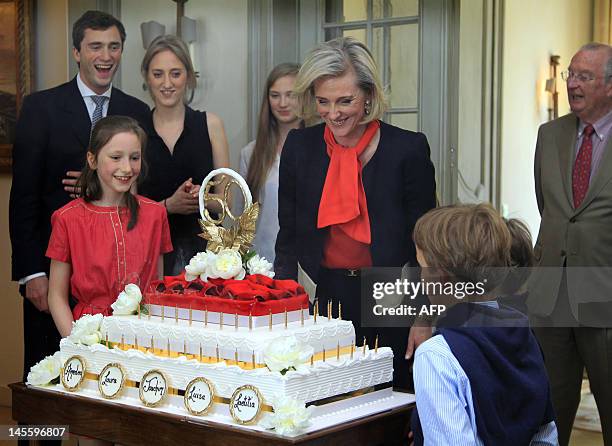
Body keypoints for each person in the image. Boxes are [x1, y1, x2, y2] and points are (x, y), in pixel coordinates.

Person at [274, 37, 436, 389]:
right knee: (331, 397)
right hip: (329, 290)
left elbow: (428, 247)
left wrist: (424, 316)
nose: (333, 114)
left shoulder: (407, 150)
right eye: (323, 102)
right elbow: (287, 238)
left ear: (368, 96)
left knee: (392, 399)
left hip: (391, 291)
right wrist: (281, 307)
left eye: (345, 101)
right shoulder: (300, 148)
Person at [9, 10, 149, 379]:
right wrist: (31, 273)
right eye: (95, 47)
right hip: (51, 272)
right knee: (46, 379)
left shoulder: (136, 111)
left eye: (114, 47)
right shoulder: (41, 108)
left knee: (109, 385)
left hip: (114, 283)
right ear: (77, 52)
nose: (105, 56)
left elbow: (139, 184)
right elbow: (22, 196)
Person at [410, 203, 558, 446]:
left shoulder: (436, 356)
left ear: (441, 276)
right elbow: (546, 433)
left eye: (422, 266)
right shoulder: (525, 334)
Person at [530, 42, 612, 445]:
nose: (573, 84)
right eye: (571, 75)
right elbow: (550, 207)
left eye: (585, 77)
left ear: (611, 86)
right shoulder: (550, 135)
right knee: (548, 408)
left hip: (605, 296)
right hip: (550, 298)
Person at [47, 116, 172, 336]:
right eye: (116, 157)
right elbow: (56, 296)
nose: (127, 167)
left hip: (143, 333)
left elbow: (157, 285)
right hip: (89, 334)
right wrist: (75, 344)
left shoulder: (155, 214)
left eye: (135, 158)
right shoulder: (67, 218)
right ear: (92, 160)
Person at [139, 35, 230, 275]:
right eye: (158, 74)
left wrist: (201, 197)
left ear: (189, 76)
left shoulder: (211, 124)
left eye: (175, 73)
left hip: (206, 257)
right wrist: (168, 206)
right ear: (147, 77)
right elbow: (125, 210)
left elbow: (227, 202)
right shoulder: (135, 131)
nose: (167, 83)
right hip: (149, 254)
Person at [239, 63, 301, 263]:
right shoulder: (250, 153)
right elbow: (243, 219)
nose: (282, 103)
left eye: (290, 94)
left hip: (307, 263)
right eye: (275, 95)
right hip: (263, 261)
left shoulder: (321, 149)